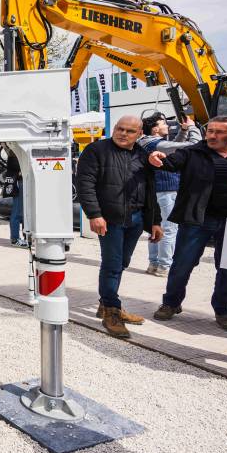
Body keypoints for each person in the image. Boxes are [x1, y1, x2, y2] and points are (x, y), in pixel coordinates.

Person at [148, 115, 227, 333]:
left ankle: (223, 311)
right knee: (182, 263)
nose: (212, 136)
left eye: (219, 132)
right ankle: (171, 303)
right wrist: (157, 158)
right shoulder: (193, 152)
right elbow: (170, 162)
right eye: (210, 131)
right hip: (197, 220)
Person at [77, 115, 163, 338]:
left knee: (122, 262)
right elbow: (85, 184)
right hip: (110, 219)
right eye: (120, 128)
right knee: (112, 264)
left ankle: (106, 302)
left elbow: (150, 190)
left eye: (129, 131)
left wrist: (155, 221)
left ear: (139, 134)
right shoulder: (96, 150)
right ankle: (112, 312)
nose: (123, 133)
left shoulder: (143, 155)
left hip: (135, 220)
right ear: (114, 128)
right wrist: (94, 214)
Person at [138, 113, 202, 277]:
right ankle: (165, 267)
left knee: (155, 228)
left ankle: (153, 264)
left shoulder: (145, 142)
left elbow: (173, 147)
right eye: (163, 123)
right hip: (165, 191)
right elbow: (194, 145)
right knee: (168, 229)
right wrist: (193, 127)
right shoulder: (157, 144)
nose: (167, 125)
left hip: (153, 190)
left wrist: (183, 130)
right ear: (155, 129)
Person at [3, 144, 26, 247]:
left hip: (20, 182)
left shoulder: (13, 155)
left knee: (22, 212)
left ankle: (24, 237)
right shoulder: (15, 157)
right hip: (20, 183)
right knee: (18, 212)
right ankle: (15, 239)